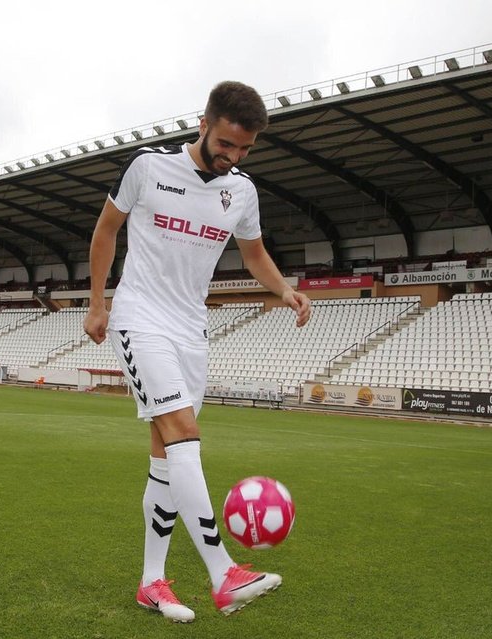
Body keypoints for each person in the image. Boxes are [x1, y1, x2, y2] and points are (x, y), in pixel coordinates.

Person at [83, 80, 312, 623]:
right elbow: (105, 231)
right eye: (226, 144)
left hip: (192, 331)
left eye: (245, 150)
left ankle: (152, 583)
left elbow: (253, 253)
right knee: (184, 434)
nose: (233, 157)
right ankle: (223, 573)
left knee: (166, 461)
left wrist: (282, 289)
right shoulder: (148, 169)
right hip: (140, 320)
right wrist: (98, 304)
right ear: (203, 124)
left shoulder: (243, 192)